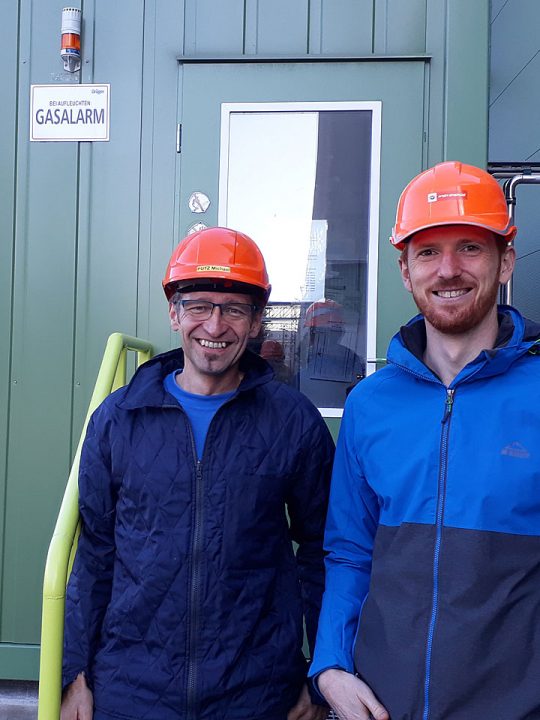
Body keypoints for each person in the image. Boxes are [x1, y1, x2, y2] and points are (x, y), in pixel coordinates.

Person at [61, 227, 334, 720]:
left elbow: (322, 552)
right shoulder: (119, 419)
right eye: (199, 306)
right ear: (174, 314)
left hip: (257, 690)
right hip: (131, 690)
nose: (215, 324)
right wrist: (74, 673)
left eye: (234, 309)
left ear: (255, 323)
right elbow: (94, 555)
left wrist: (319, 676)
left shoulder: (293, 422)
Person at [309, 161, 540, 719]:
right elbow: (350, 551)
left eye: (470, 248)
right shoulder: (370, 404)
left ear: (506, 260)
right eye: (428, 252)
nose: (449, 269)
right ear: (406, 270)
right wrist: (331, 666)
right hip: (383, 704)